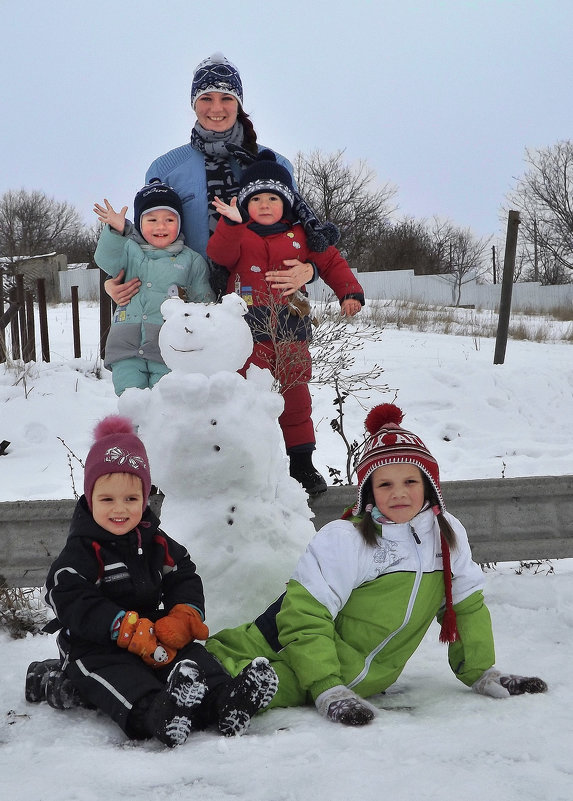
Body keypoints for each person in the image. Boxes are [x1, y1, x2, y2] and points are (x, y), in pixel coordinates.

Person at [204, 403, 547, 726]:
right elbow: (303, 616)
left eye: (410, 481)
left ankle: (218, 696)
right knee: (249, 677)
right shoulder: (346, 539)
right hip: (284, 649)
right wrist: (327, 687)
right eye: (385, 484)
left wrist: (482, 672)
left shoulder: (447, 536)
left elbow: (465, 606)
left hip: (350, 675)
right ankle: (201, 688)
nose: (399, 493)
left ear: (429, 484)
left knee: (274, 689)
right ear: (369, 492)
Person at [32, 415, 278, 747]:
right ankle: (157, 714)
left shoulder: (153, 539)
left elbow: (182, 571)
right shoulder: (82, 551)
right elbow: (69, 596)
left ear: (145, 498)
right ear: (90, 499)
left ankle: (225, 700)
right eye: (107, 500)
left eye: (131, 499)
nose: (120, 509)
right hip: (93, 644)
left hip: (151, 632)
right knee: (119, 676)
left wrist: (184, 612)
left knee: (190, 654)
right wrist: (119, 625)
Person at [206, 150, 365, 494]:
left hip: (293, 329)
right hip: (248, 333)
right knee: (247, 397)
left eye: (273, 198)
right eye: (257, 198)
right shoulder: (240, 233)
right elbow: (219, 254)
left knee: (296, 397)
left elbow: (333, 262)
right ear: (245, 203)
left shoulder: (301, 235)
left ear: (287, 202)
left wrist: (349, 292)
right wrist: (231, 223)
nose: (265, 204)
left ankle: (302, 464)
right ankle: (247, 462)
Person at [105, 52, 309, 306]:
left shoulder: (274, 166)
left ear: (238, 103)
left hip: (266, 305)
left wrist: (310, 269)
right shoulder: (165, 168)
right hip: (190, 308)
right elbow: (147, 242)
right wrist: (112, 283)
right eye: (206, 98)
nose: (216, 108)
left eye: (226, 98)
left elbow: (303, 232)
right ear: (194, 104)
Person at [93, 180, 215, 396]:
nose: (161, 226)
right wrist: (118, 231)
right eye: (152, 219)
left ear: (180, 222)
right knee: (132, 403)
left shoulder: (191, 260)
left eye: (169, 219)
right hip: (126, 347)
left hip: (169, 350)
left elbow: (205, 305)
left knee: (163, 406)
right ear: (140, 223)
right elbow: (105, 259)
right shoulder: (128, 249)